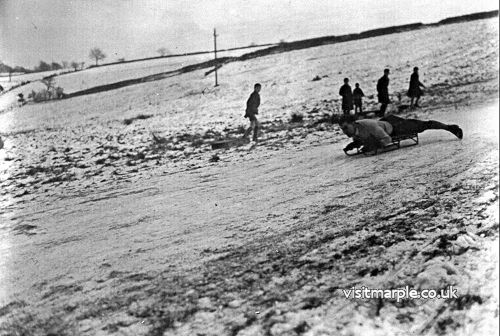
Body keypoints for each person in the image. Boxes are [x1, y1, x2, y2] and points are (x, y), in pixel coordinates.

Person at [338, 114, 463, 153]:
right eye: (342, 129)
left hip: (397, 127)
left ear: (353, 123)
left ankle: (451, 128)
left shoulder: (370, 127)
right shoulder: (355, 129)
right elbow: (363, 137)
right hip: (384, 123)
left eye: (345, 128)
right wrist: (356, 144)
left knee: (424, 125)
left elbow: (387, 140)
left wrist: (375, 146)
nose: (345, 132)